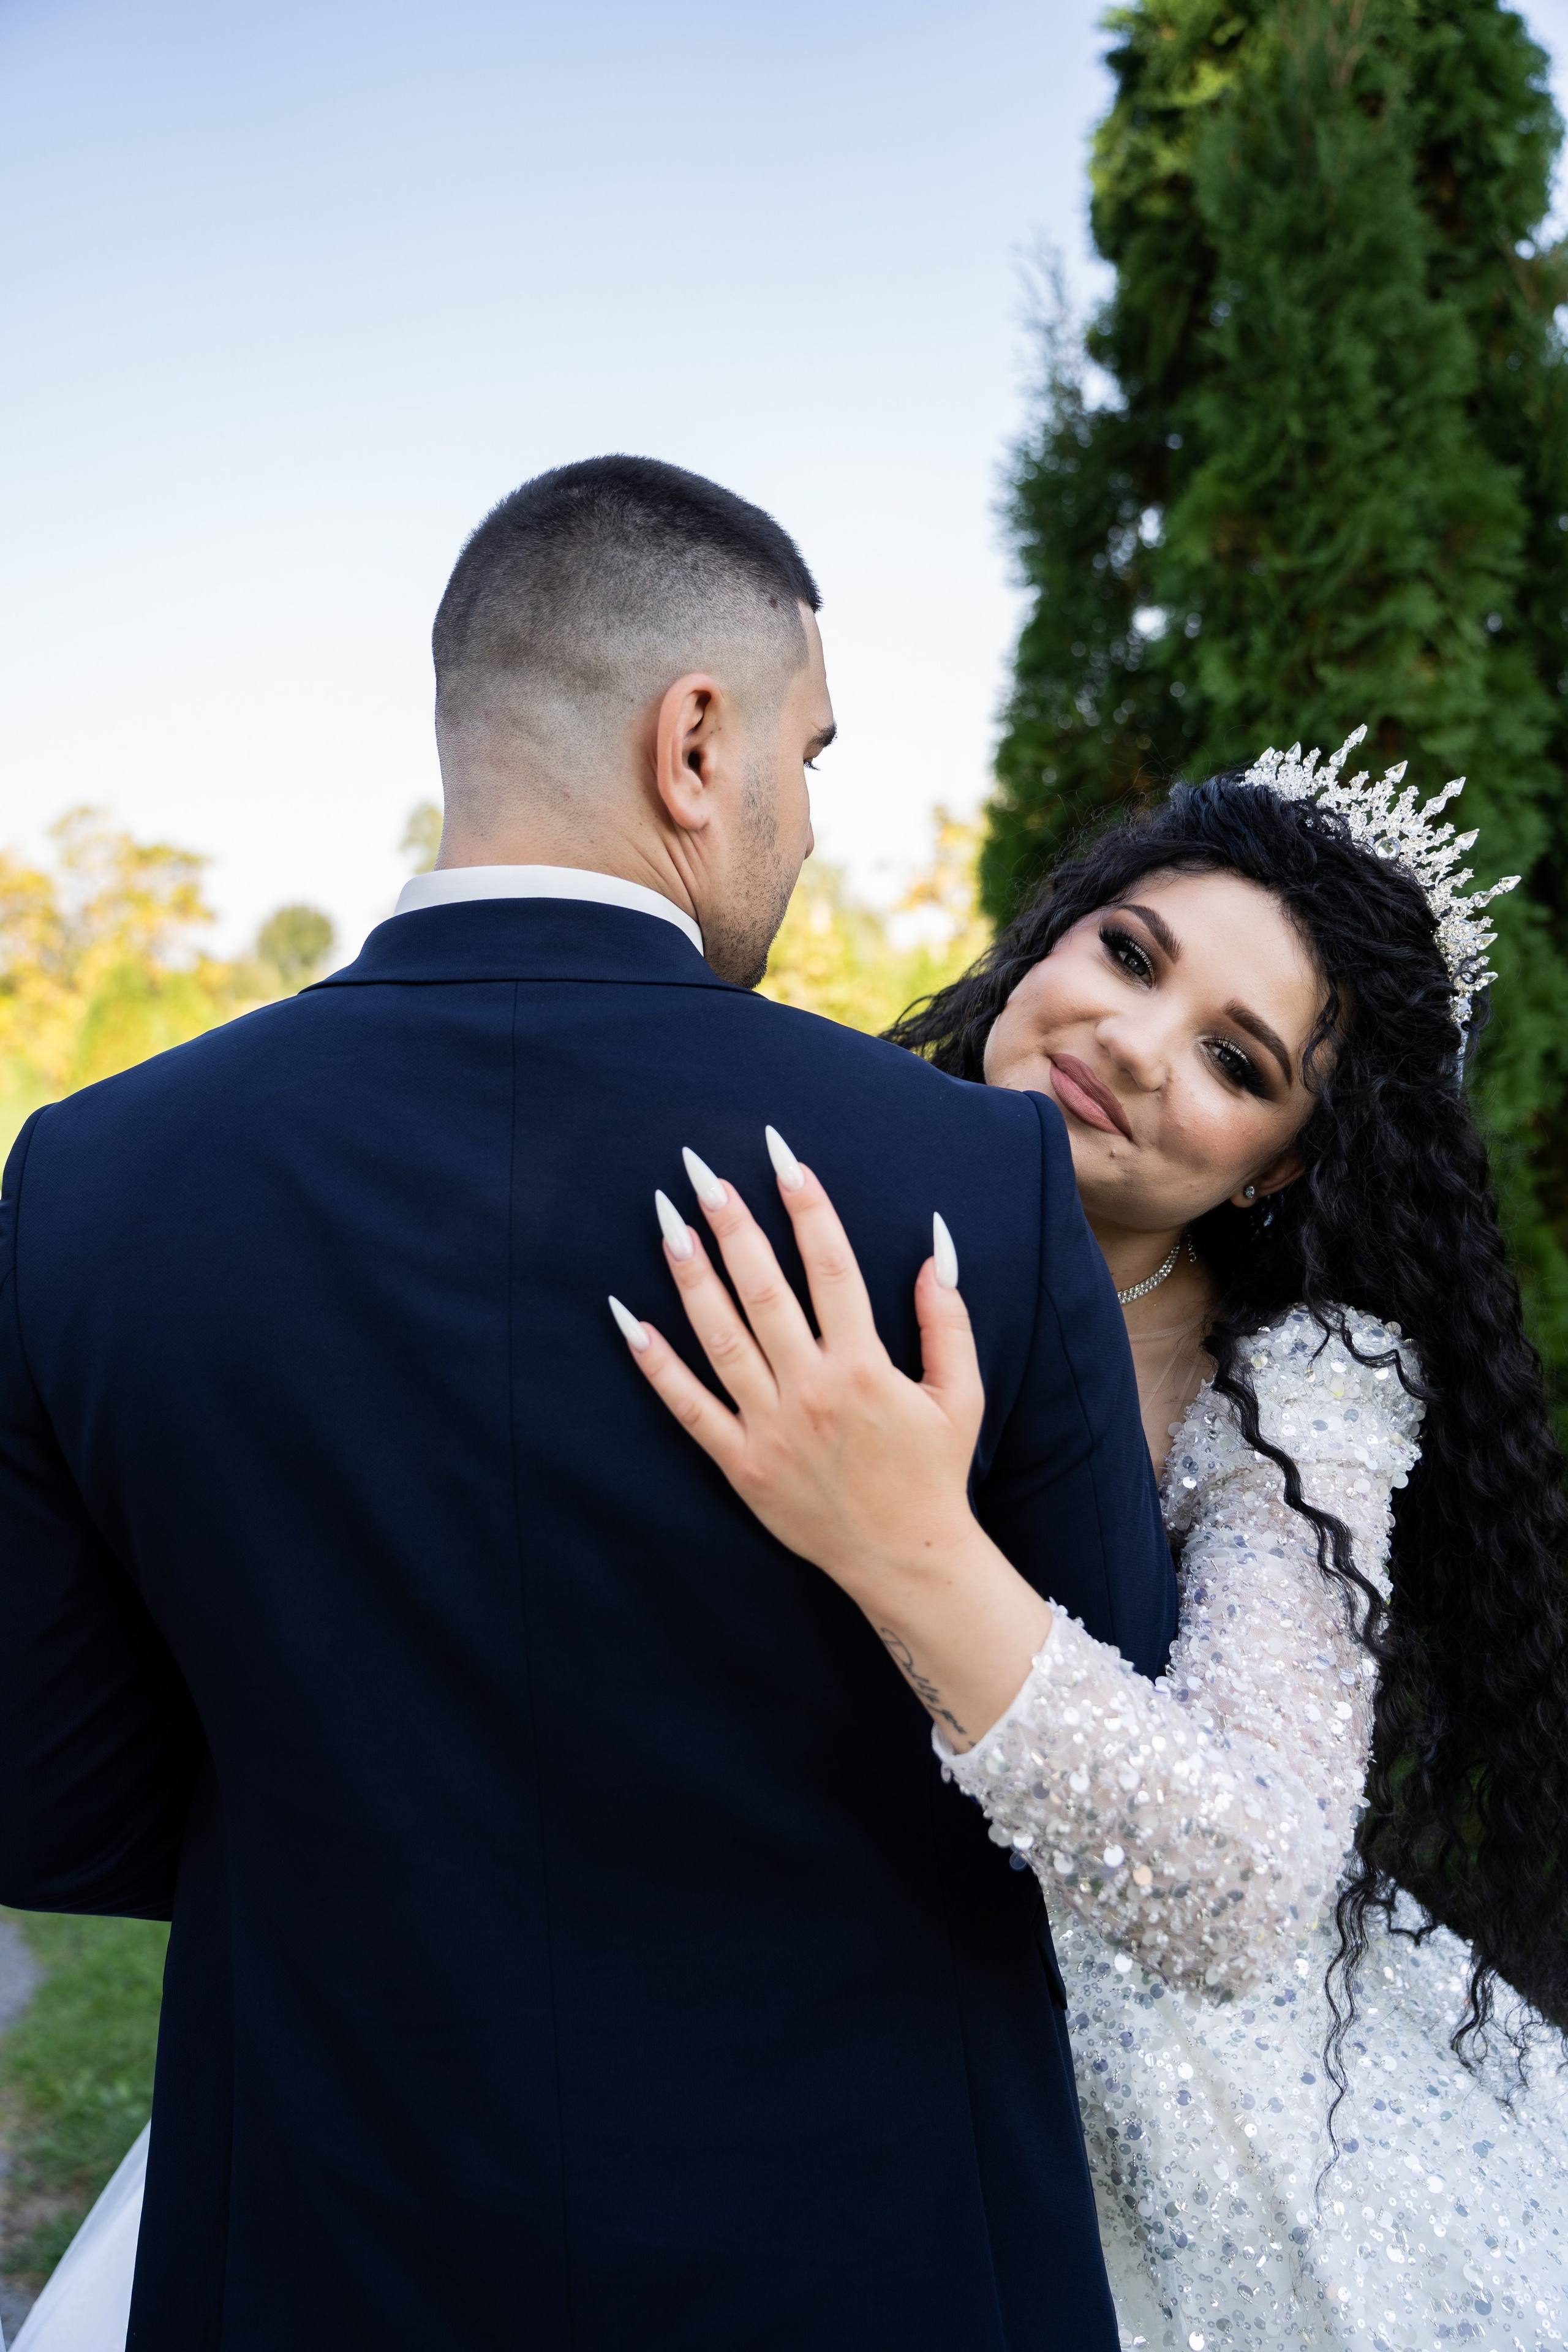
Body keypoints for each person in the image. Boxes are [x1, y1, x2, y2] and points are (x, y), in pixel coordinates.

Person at [0, 457, 1174, 2351]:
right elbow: (1106, 1785)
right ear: (695, 743)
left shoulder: (93, 1177)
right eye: (815, 753)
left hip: (322, 2252)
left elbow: (48, 1796)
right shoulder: (972, 1186)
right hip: (882, 2263)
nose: (807, 824)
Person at [620, 741, 1568, 2348]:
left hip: (1127, 2087)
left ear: (1279, 1163)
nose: (1130, 1043)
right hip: (731, 1983)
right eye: (1129, 952)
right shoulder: (781, 1185)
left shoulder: (1299, 1385)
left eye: (1238, 1061)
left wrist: (909, 1544)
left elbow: (1256, 1883)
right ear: (1053, 930)